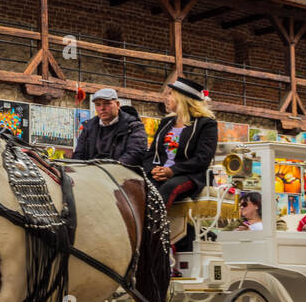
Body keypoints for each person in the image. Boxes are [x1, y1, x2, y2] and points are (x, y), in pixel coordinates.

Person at [144, 76, 219, 210]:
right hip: (162, 172)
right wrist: (153, 169)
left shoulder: (206, 124)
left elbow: (203, 159)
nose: (167, 98)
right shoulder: (165, 123)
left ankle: (154, 230)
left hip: (189, 175)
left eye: (170, 94)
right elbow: (151, 153)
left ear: (181, 98)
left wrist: (172, 171)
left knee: (168, 188)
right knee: (139, 187)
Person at [72, 87, 147, 169]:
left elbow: (134, 154)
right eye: (98, 105)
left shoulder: (133, 126)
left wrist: (110, 170)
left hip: (121, 175)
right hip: (91, 174)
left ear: (117, 105)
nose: (102, 108)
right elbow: (78, 155)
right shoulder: (89, 127)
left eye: (107, 103)